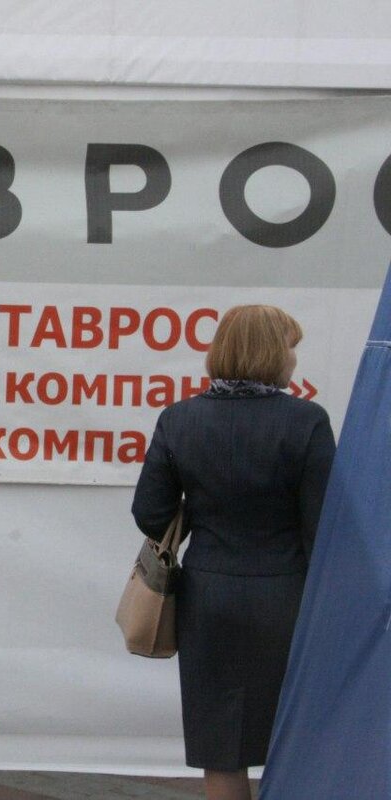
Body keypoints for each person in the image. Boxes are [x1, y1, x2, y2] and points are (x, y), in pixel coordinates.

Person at [131, 305, 336, 800]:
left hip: (209, 598)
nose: (294, 358)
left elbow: (150, 512)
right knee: (295, 736)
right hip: (287, 600)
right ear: (272, 353)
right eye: (290, 347)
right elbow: (323, 529)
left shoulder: (179, 419)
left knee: (222, 748)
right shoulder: (306, 421)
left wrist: (202, 513)